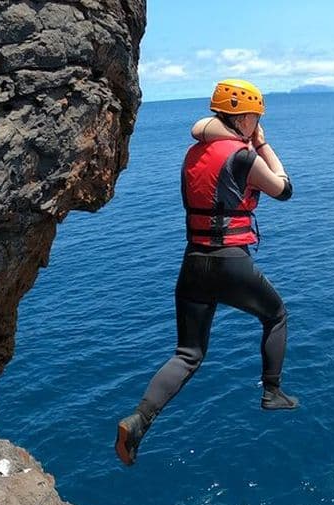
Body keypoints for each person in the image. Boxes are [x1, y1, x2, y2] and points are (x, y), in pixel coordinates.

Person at [115, 79, 297, 466]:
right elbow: (284, 189)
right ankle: (272, 392)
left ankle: (139, 421)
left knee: (188, 352)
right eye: (256, 118)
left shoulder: (192, 153)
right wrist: (262, 144)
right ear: (246, 117)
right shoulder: (244, 156)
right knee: (276, 315)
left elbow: (205, 144)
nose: (257, 123)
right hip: (230, 261)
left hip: (193, 262)